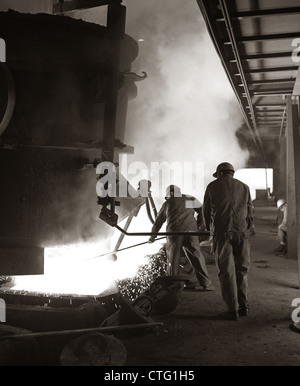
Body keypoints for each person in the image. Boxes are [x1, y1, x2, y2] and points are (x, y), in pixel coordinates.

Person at [202, 162, 254, 321]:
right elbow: (250, 211)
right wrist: (246, 229)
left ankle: (233, 310)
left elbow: (206, 211)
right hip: (241, 233)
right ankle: (244, 306)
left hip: (222, 233)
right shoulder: (244, 187)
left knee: (226, 272)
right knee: (242, 270)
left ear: (219, 173)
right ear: (232, 173)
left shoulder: (212, 186)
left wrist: (208, 231)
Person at [148, 184, 213, 291]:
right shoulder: (189, 200)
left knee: (173, 259)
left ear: (171, 194)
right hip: (191, 232)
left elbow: (158, 222)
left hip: (174, 234)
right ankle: (206, 284)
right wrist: (198, 225)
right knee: (196, 257)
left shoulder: (168, 203)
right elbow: (203, 210)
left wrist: (152, 236)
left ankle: (174, 284)